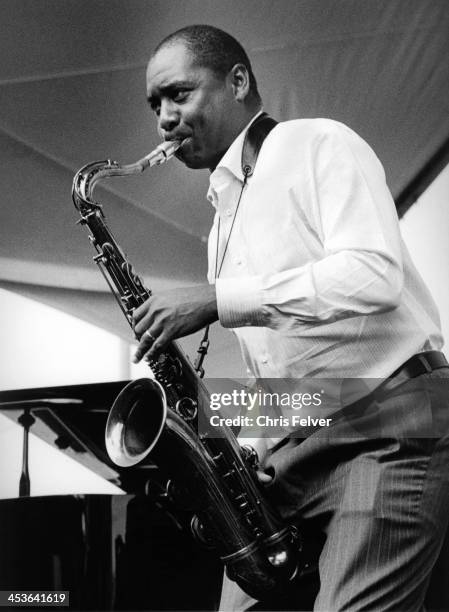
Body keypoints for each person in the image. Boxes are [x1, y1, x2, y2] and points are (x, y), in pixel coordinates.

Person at [132, 24, 449, 611]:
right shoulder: (220, 227)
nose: (164, 119)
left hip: (388, 429)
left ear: (237, 80)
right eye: (156, 105)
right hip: (301, 440)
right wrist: (224, 450)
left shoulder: (316, 143)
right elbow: (289, 380)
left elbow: (376, 275)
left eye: (179, 93)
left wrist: (217, 299)